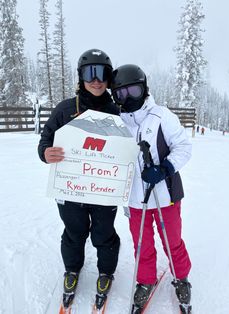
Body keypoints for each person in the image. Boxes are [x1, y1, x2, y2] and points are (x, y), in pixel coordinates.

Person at [38, 49, 120, 309]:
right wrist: (45, 152)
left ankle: (106, 272)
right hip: (71, 187)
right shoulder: (65, 109)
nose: (96, 80)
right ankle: (72, 270)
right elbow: (45, 139)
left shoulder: (117, 112)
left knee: (103, 233)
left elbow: (129, 147)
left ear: (109, 78)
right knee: (74, 232)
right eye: (90, 73)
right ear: (81, 76)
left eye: (102, 74)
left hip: (104, 188)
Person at [111, 64, 192, 312]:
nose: (128, 98)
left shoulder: (161, 116)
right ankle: (145, 281)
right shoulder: (116, 123)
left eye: (133, 90)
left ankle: (181, 277)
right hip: (136, 200)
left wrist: (164, 168)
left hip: (166, 195)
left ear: (144, 89)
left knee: (172, 240)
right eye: (122, 93)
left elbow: (183, 148)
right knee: (141, 244)